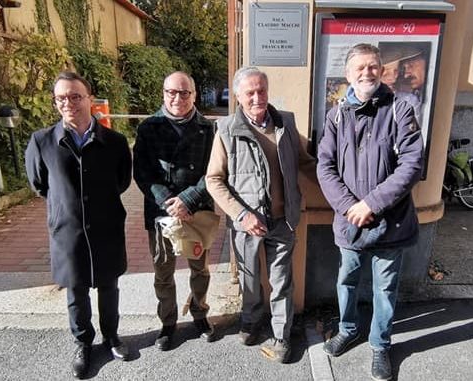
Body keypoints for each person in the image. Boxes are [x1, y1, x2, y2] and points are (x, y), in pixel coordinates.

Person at [317, 43, 423, 381]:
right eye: (360, 67)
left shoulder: (400, 109)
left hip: (391, 222)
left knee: (385, 288)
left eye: (373, 66)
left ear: (381, 70)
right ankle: (348, 329)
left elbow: (411, 165)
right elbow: (325, 166)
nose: (367, 73)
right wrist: (351, 207)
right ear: (348, 74)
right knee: (346, 280)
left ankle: (380, 344)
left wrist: (371, 204)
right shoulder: (335, 115)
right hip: (350, 223)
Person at [206, 66, 317, 363]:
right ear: (238, 97)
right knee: (250, 279)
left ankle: (282, 335)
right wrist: (242, 214)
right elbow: (213, 180)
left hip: (284, 220)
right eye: (250, 92)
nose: (257, 97)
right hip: (247, 224)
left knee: (281, 282)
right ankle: (251, 321)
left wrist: (339, 188)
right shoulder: (226, 129)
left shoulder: (286, 124)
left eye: (261, 91)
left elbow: (306, 163)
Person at [25, 71, 132, 379]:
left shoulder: (114, 141)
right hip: (67, 229)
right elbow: (39, 184)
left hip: (107, 225)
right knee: (77, 289)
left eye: (75, 96)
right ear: (55, 102)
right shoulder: (42, 141)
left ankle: (111, 336)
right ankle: (83, 343)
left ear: (89, 98)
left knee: (109, 285)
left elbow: (122, 181)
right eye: (61, 98)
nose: (68, 103)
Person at [133, 71, 216, 351]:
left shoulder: (209, 129)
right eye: (171, 92)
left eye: (184, 93)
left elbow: (215, 172)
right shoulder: (148, 128)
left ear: (193, 95)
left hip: (197, 212)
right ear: (163, 94)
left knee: (200, 270)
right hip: (161, 213)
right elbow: (143, 173)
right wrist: (170, 202)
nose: (177, 98)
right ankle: (168, 322)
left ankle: (199, 312)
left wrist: (188, 200)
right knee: (163, 272)